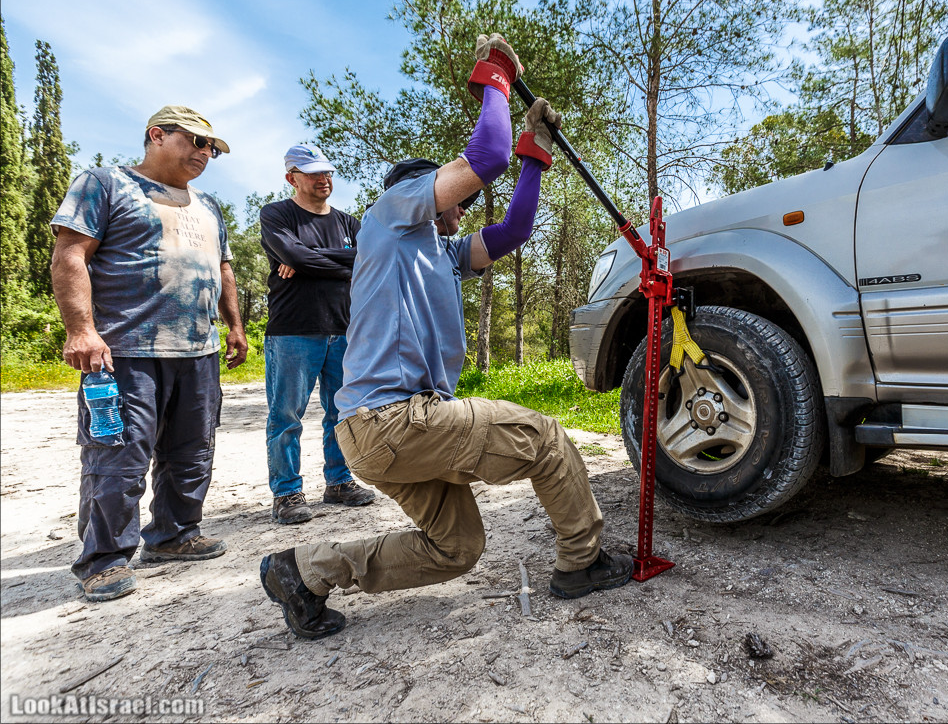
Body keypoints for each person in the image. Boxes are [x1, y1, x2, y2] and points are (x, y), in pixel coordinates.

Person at [260, 35, 633, 639]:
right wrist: (496, 79)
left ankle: (303, 572)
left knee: (456, 547)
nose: (466, 205)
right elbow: (484, 157)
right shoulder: (390, 215)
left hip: (380, 432)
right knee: (546, 438)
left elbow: (512, 231)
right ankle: (583, 562)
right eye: (455, 195)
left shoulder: (440, 251)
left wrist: (533, 158)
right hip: (393, 420)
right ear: (425, 192)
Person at [50, 105, 248, 602]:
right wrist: (81, 330)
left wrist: (235, 328)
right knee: (118, 455)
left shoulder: (208, 206)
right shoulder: (105, 184)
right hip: (126, 351)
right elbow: (71, 254)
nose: (205, 153)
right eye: (196, 142)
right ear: (157, 135)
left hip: (197, 352)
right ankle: (104, 560)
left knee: (192, 450)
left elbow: (223, 270)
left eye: (212, 148)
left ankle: (175, 536)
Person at [259, 145, 375, 524]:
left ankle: (339, 482)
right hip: (293, 330)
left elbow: (367, 260)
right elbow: (297, 256)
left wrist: (306, 259)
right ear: (292, 177)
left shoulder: (349, 222)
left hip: (344, 329)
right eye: (312, 173)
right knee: (286, 415)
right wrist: (302, 258)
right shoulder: (277, 214)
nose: (323, 179)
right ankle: (288, 493)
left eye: (327, 172)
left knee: (340, 413)